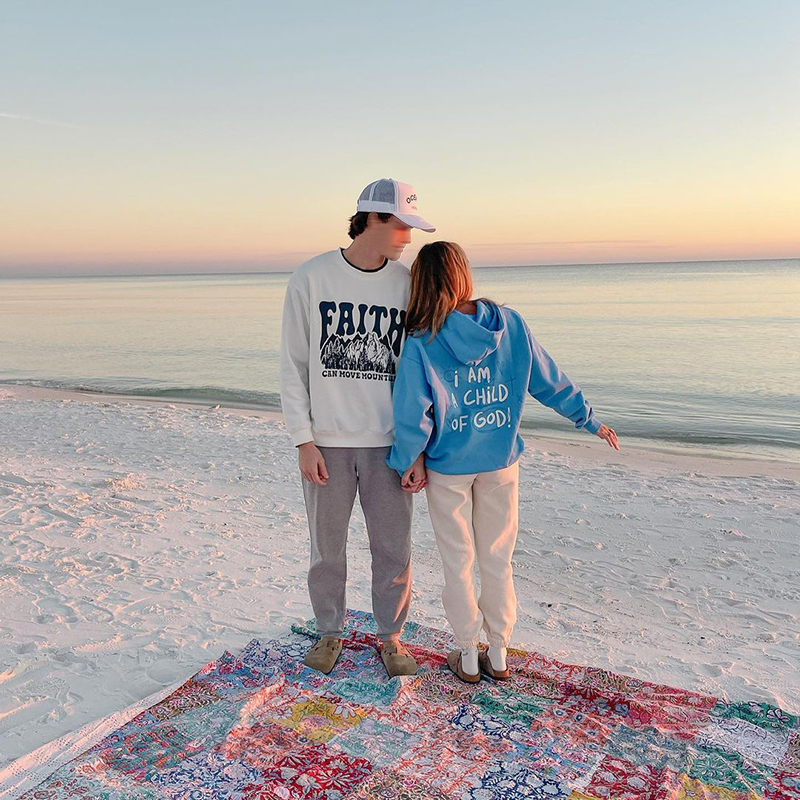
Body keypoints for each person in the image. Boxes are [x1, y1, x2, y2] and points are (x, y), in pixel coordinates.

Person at [387, 241, 619, 682]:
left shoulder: (422, 340)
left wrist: (407, 461)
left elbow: (411, 412)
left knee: (458, 562)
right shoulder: (510, 325)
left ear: (422, 284)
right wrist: (587, 419)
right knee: (497, 559)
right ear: (463, 274)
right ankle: (498, 653)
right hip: (499, 464)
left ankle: (466, 654)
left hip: (447, 468)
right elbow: (548, 380)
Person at [280, 179, 434, 677]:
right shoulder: (312, 277)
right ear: (372, 219)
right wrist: (303, 440)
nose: (408, 237)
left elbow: (419, 372)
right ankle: (330, 631)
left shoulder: (407, 284)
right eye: (402, 226)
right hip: (327, 443)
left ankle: (391, 637)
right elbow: (293, 364)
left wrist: (416, 447)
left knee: (394, 548)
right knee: (327, 550)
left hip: (390, 445)